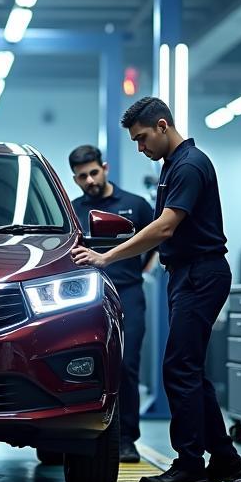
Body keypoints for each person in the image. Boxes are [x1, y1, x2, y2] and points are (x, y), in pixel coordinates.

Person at [70, 97, 241, 482]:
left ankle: (190, 464)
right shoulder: (173, 166)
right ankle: (226, 459)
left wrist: (108, 257)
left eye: (142, 138)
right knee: (190, 370)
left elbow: (165, 228)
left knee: (179, 369)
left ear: (163, 126)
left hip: (201, 274)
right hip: (186, 275)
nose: (140, 147)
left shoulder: (189, 165)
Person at [68, 143, 155, 464]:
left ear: (104, 168)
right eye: (81, 177)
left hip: (128, 294)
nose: (89, 180)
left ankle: (126, 439)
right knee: (85, 367)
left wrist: (139, 270)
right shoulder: (72, 210)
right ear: (75, 179)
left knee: (127, 366)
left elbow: (156, 239)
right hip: (85, 299)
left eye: (93, 172)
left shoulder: (135, 205)